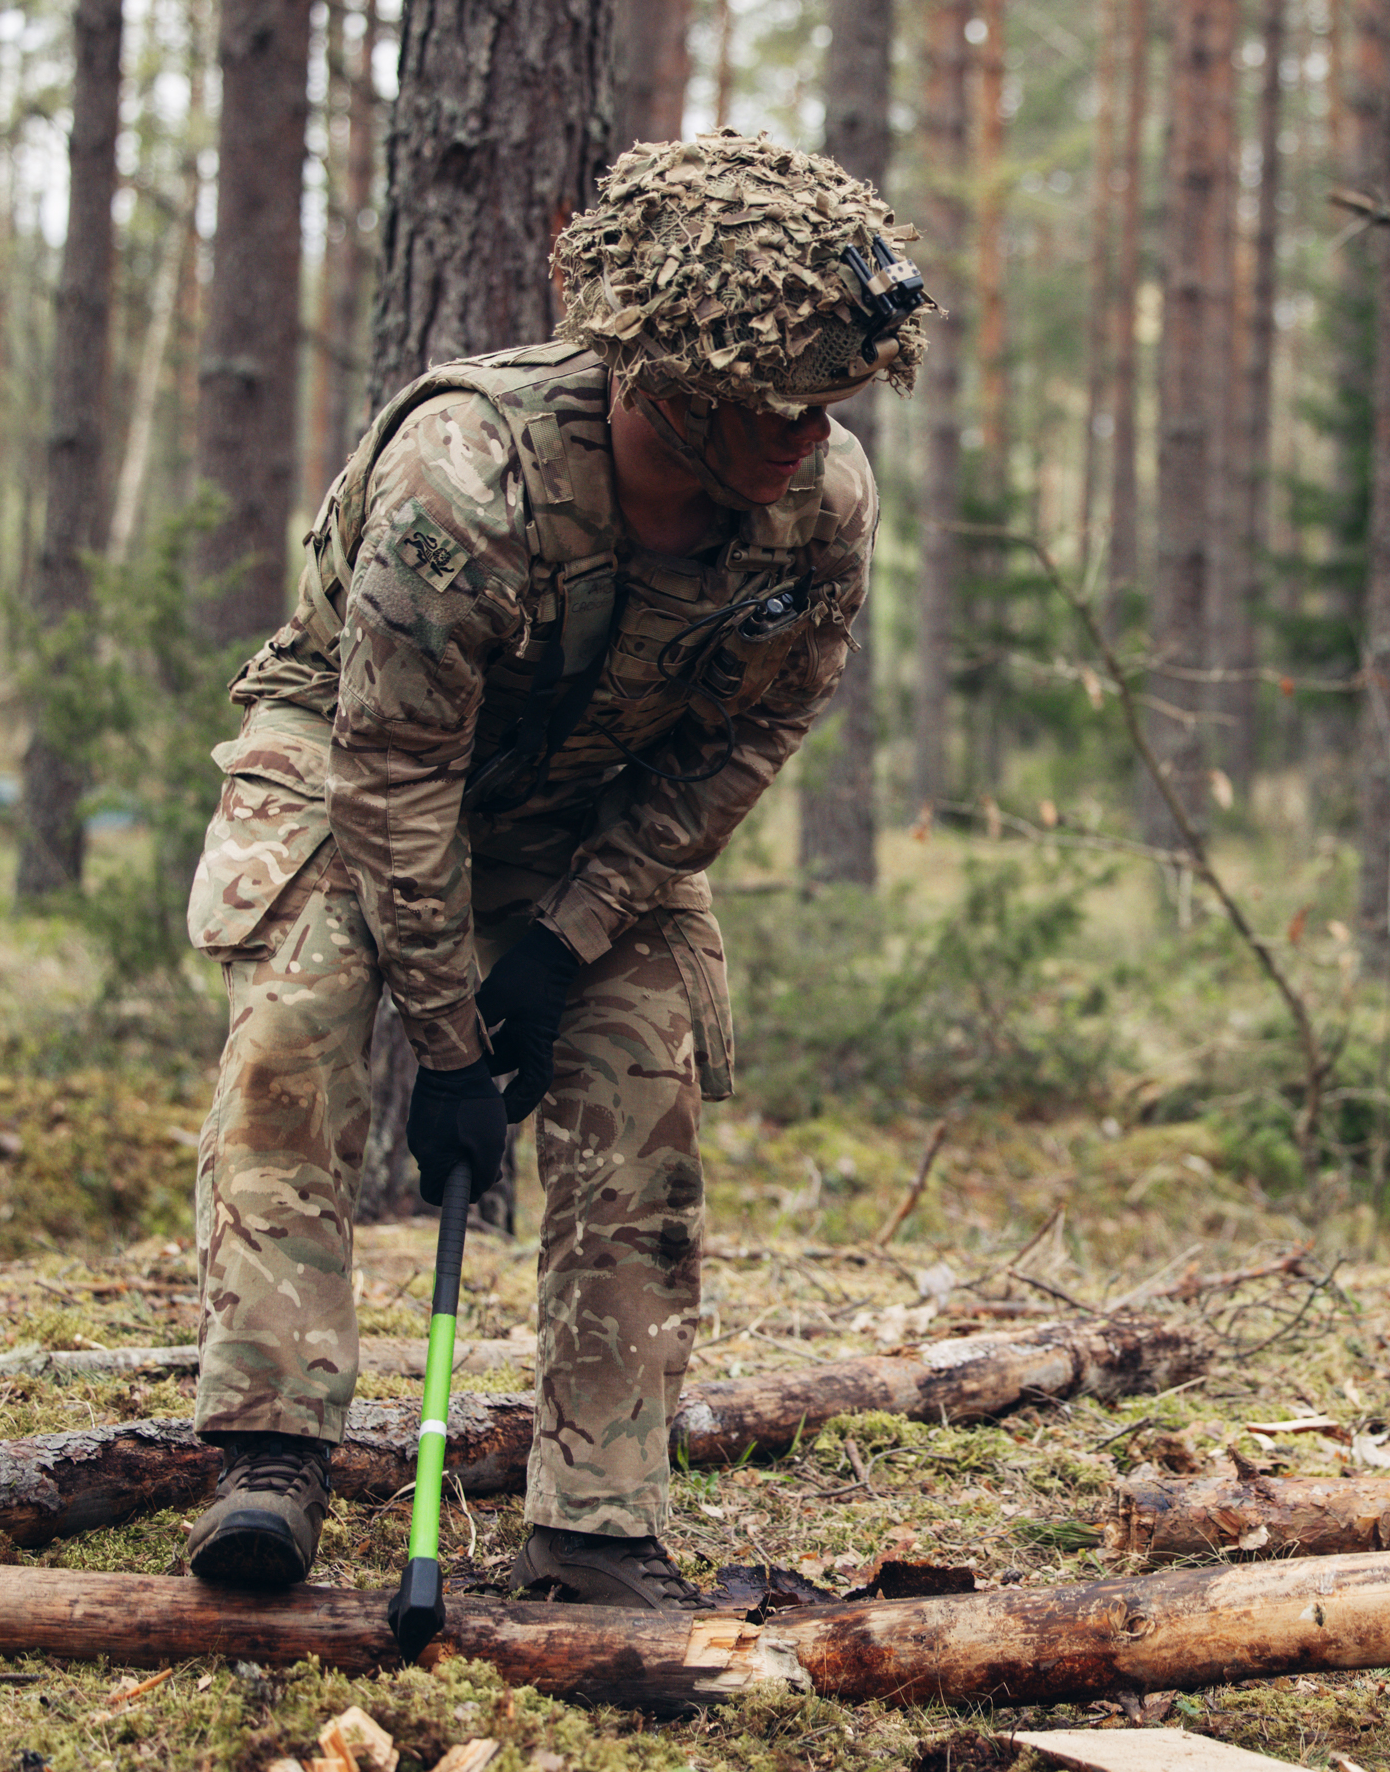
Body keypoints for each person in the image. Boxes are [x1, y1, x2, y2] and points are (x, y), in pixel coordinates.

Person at [173, 133, 923, 1608]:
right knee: (295, 1039)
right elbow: (391, 772)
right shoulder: (468, 483)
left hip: (586, 813)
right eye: (774, 408)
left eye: (826, 405)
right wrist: (446, 1048)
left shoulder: (822, 507)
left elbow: (750, 740)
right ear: (663, 380)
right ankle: (270, 1449)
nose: (807, 438)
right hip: (352, 766)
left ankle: (597, 1514)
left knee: (642, 1078)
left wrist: (570, 938)